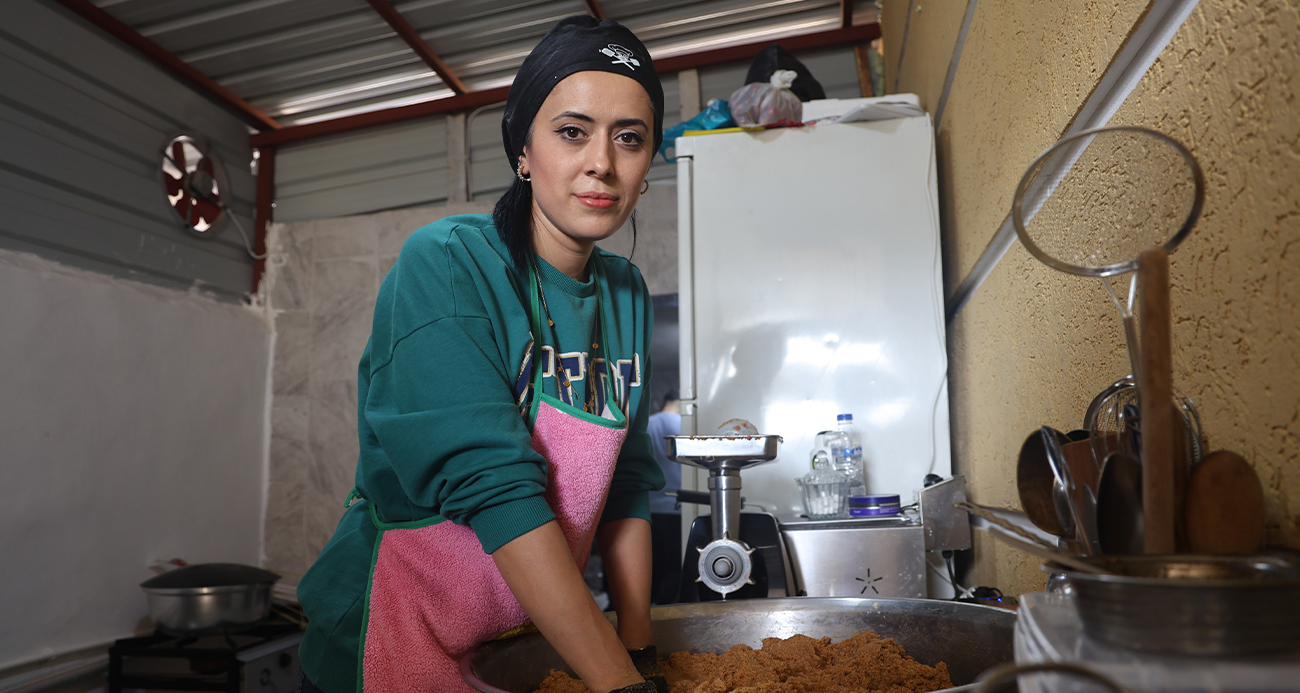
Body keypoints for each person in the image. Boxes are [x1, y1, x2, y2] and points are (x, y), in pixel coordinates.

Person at [294, 16, 668, 693]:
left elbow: (628, 483)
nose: (602, 164)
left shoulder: (626, 291)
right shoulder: (448, 263)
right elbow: (492, 485)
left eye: (631, 138)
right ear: (523, 150)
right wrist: (622, 684)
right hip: (393, 641)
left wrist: (639, 648)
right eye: (572, 131)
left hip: (523, 644)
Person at [645, 390, 682, 604]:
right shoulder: (687, 426)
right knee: (674, 567)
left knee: (651, 565)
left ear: (664, 403)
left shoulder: (648, 424)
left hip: (649, 508)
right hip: (677, 508)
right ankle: (664, 610)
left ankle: (646, 611)